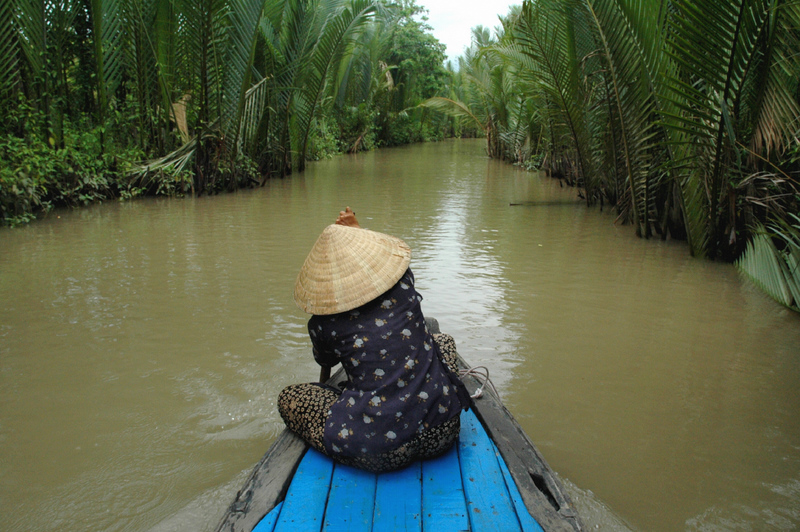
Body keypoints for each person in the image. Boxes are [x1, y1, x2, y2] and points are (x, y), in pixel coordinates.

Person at [278, 207, 471, 473]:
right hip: (442, 428)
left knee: (289, 397)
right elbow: (382, 268)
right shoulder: (404, 281)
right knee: (443, 340)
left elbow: (326, 360)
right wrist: (358, 230)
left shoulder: (323, 324)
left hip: (382, 448)